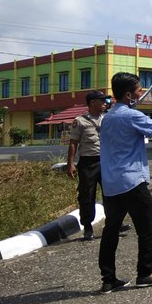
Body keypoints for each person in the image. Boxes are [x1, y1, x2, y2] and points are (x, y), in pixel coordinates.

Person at [98, 72, 152, 293]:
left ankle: (108, 279)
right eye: (139, 90)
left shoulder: (108, 117)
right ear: (129, 94)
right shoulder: (131, 116)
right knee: (148, 227)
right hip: (131, 180)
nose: (141, 93)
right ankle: (145, 272)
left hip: (111, 182)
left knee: (111, 230)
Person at [67, 91, 109, 241]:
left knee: (111, 194)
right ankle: (88, 227)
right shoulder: (80, 121)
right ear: (92, 103)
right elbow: (73, 143)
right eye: (102, 100)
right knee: (87, 195)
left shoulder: (107, 119)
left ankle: (114, 223)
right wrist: (70, 163)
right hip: (88, 163)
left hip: (106, 161)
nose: (106, 102)